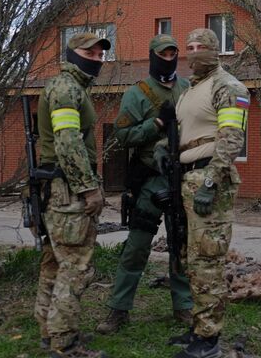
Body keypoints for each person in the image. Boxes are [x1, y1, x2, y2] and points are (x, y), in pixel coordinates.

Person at [158, 28, 248, 358]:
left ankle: (209, 341)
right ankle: (198, 329)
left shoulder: (228, 86)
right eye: (189, 47)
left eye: (201, 47)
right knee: (192, 261)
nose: (193, 53)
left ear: (215, 50)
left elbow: (231, 138)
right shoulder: (190, 90)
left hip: (210, 178)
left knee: (208, 259)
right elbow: (184, 134)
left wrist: (211, 183)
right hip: (186, 177)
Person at [96, 34, 193, 334]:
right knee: (137, 246)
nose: (168, 58)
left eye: (173, 53)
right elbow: (123, 136)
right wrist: (158, 124)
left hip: (183, 176)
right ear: (153, 56)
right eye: (163, 54)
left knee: (181, 244)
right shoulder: (137, 94)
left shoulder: (187, 88)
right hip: (150, 179)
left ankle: (184, 307)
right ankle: (119, 310)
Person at [34, 32, 110, 358]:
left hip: (59, 188)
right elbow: (68, 142)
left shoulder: (73, 87)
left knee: (53, 263)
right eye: (87, 52)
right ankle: (64, 343)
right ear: (71, 53)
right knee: (75, 267)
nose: (95, 58)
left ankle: (47, 330)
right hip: (67, 191)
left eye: (99, 53)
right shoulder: (66, 88)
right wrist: (88, 187)